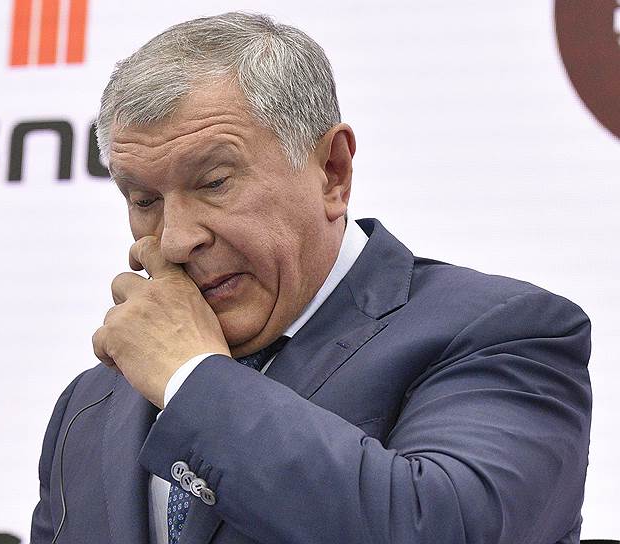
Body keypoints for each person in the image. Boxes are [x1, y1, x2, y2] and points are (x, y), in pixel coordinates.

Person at [30, 12, 592, 544]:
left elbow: (439, 526)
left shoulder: (504, 332)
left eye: (214, 182)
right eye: (144, 200)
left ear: (332, 172)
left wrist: (190, 379)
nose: (176, 240)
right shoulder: (92, 402)